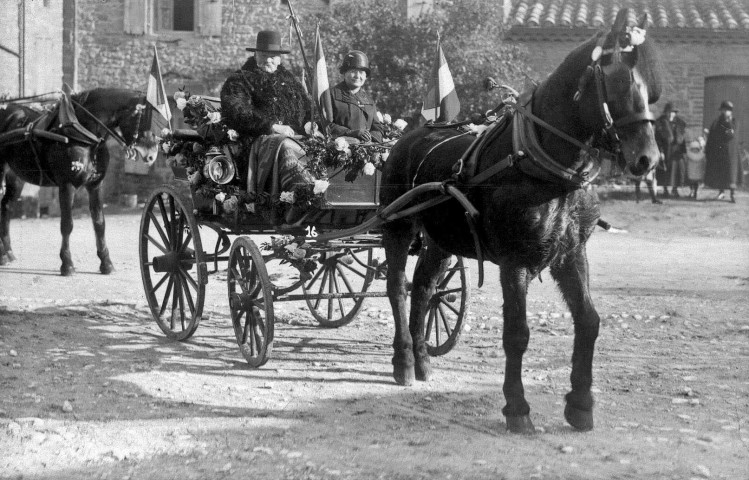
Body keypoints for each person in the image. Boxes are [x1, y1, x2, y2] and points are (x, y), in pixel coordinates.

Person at [220, 29, 315, 224]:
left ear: (280, 59)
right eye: (264, 55)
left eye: (273, 56)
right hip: (256, 141)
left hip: (296, 139)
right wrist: (271, 126)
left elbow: (306, 110)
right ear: (255, 55)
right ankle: (298, 198)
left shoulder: (292, 82)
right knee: (285, 146)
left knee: (320, 145)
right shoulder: (239, 80)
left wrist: (309, 125)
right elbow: (238, 112)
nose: (268, 60)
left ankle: (319, 193)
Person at [328, 51, 384, 143]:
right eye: (353, 71)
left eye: (361, 72)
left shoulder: (369, 101)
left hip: (366, 150)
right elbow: (325, 124)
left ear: (366, 76)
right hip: (337, 150)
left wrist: (371, 138)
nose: (357, 76)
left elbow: (377, 128)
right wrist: (351, 133)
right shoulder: (331, 95)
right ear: (344, 72)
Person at [704, 100, 741, 203]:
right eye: (723, 110)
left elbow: (731, 134)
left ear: (730, 112)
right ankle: (721, 192)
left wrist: (728, 122)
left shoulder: (734, 122)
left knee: (731, 175)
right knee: (721, 174)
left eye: (727, 110)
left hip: (731, 154)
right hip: (720, 153)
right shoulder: (717, 122)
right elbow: (712, 135)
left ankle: (732, 194)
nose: (724, 112)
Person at [654, 102, 686, 198]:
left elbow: (682, 139)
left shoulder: (679, 123)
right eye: (670, 112)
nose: (672, 114)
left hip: (677, 151)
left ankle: (675, 190)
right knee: (665, 170)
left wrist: (683, 152)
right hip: (666, 150)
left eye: (674, 112)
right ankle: (665, 190)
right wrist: (661, 151)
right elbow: (658, 139)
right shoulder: (661, 123)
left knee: (677, 171)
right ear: (666, 112)